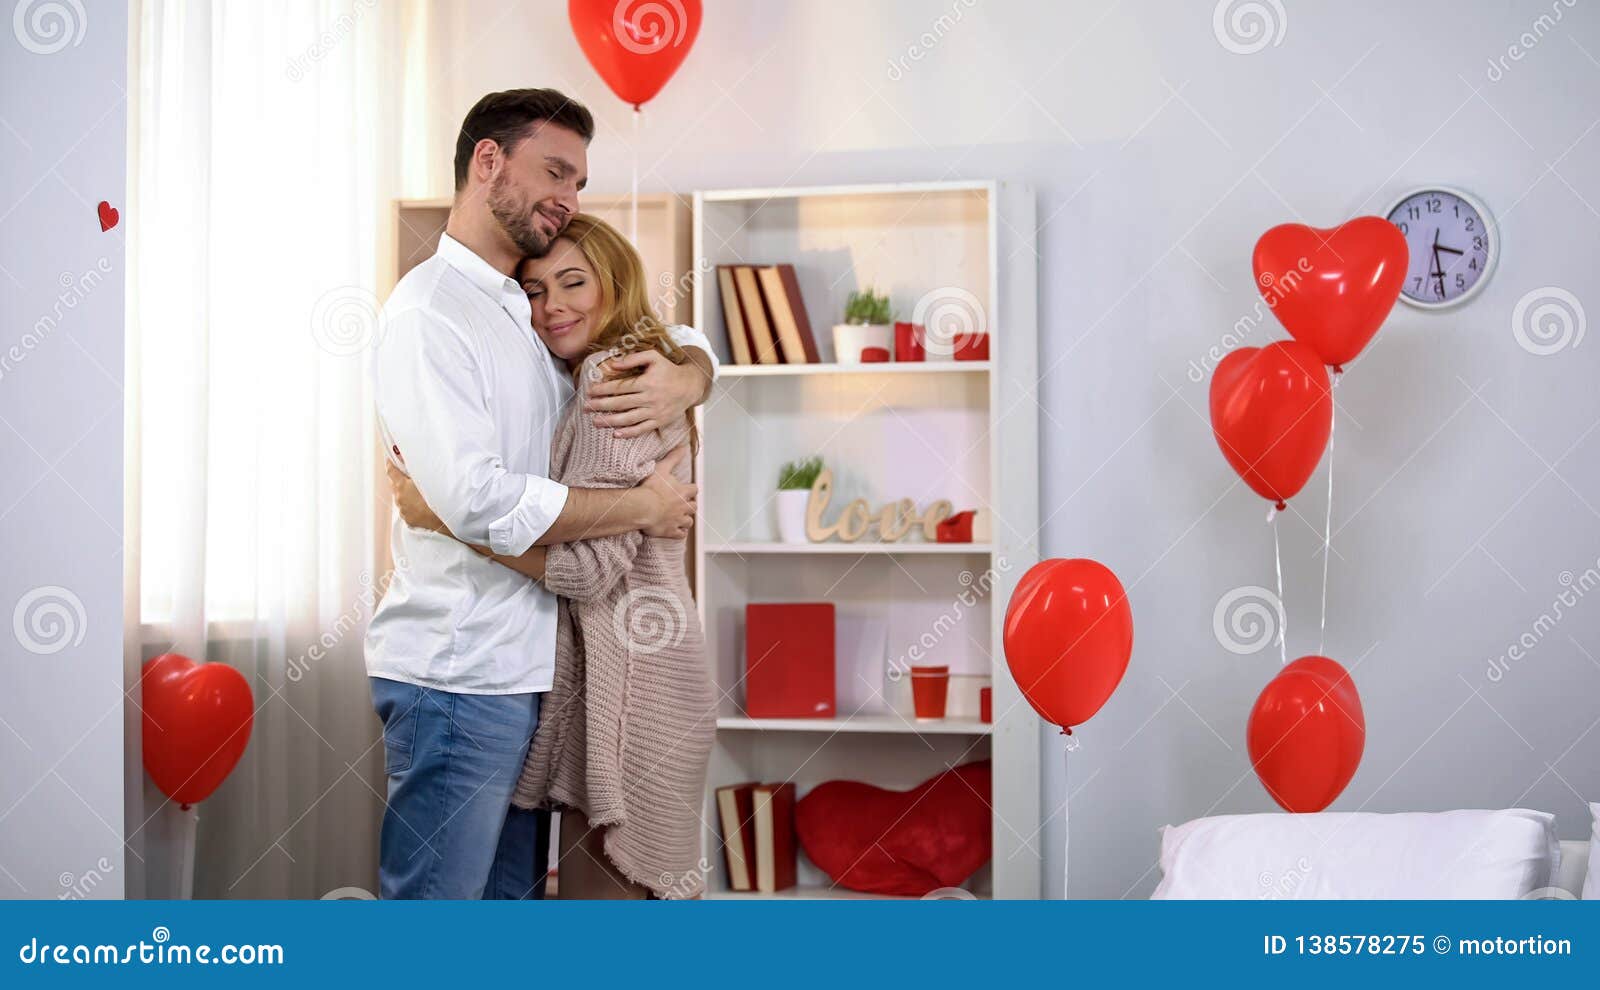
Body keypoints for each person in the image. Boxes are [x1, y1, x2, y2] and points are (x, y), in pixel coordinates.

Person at [365, 88, 718, 900]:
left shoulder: (520, 314)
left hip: (530, 679)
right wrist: (639, 508)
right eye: (555, 171)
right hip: (461, 674)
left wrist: (693, 372)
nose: (569, 196)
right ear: (488, 162)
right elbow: (477, 501)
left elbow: (650, 330)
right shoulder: (432, 313)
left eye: (580, 182)